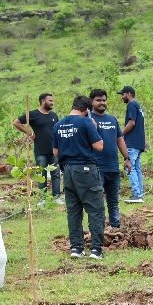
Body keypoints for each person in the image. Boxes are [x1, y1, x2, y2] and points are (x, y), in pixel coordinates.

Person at [53, 95, 105, 260]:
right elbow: (99, 146)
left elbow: (55, 152)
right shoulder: (86, 122)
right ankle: (96, 250)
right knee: (95, 210)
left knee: (74, 211)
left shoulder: (58, 125)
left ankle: (76, 248)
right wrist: (94, 128)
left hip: (67, 170)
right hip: (86, 169)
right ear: (87, 110)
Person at [88, 89, 131, 229]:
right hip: (96, 167)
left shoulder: (112, 119)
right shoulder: (87, 121)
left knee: (113, 201)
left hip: (113, 167)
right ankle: (98, 229)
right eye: (98, 100)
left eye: (104, 100)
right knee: (97, 201)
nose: (102, 103)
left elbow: (120, 140)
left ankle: (115, 228)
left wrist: (127, 158)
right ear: (91, 102)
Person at [13, 93, 60, 198]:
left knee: (56, 175)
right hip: (40, 151)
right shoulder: (33, 114)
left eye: (52, 101)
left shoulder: (53, 115)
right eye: (50, 101)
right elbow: (16, 122)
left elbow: (57, 130)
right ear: (43, 101)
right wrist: (30, 133)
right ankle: (42, 199)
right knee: (41, 175)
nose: (52, 103)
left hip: (54, 150)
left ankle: (56, 197)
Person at [120, 86, 146, 203]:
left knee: (129, 166)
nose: (122, 97)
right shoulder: (138, 105)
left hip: (132, 142)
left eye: (123, 94)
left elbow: (132, 123)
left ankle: (137, 194)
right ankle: (140, 193)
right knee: (136, 168)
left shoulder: (131, 105)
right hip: (140, 142)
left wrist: (120, 134)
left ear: (129, 94)